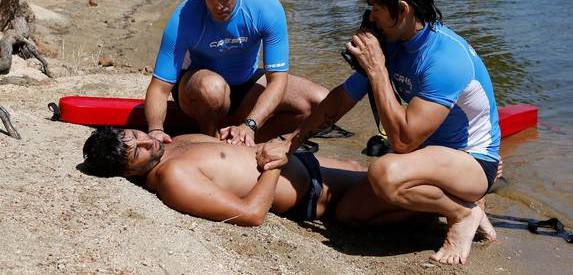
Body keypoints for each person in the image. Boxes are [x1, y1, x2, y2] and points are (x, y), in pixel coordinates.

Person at [256, 0, 501, 265]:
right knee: (349, 214)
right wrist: (290, 142)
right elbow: (339, 101)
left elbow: (402, 142)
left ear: (402, 9)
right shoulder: (392, 42)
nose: (370, 17)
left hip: (472, 161)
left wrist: (377, 70)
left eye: (376, 8)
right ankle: (449, 205)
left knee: (384, 173)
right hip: (428, 159)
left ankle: (463, 212)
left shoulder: (445, 58)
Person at [144, 0, 328, 147]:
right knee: (212, 88)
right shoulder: (183, 18)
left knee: (321, 102)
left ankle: (245, 142)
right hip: (196, 89)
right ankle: (210, 140)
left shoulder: (266, 8)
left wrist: (250, 125)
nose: (218, 6)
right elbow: (160, 88)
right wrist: (155, 129)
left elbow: (277, 80)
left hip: (244, 85)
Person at [82, 127, 369, 226]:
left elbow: (234, 158)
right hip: (313, 193)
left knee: (362, 166)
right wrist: (275, 165)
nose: (148, 142)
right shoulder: (173, 177)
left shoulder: (173, 144)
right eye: (139, 153)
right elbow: (251, 214)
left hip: (301, 162)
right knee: (388, 185)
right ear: (128, 172)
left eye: (137, 136)